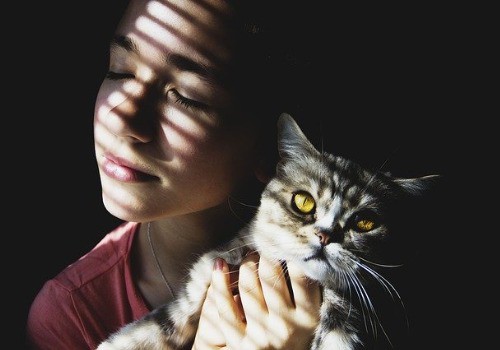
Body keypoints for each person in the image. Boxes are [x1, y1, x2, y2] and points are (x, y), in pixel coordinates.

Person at [26, 0, 322, 349]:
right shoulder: (74, 317)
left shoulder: (356, 270)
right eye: (120, 71)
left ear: (274, 145)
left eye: (186, 96)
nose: (124, 118)